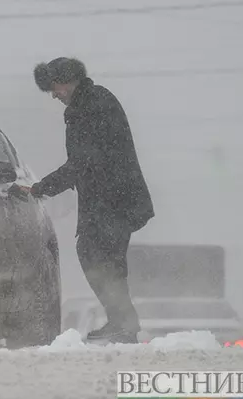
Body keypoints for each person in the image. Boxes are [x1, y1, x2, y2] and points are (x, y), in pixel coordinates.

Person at [29, 57, 155, 343]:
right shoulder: (90, 103)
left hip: (114, 200)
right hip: (108, 199)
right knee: (101, 257)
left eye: (55, 87)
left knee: (99, 256)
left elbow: (84, 161)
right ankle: (121, 322)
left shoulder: (92, 105)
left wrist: (41, 188)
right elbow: (86, 161)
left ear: (67, 80)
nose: (54, 94)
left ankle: (123, 323)